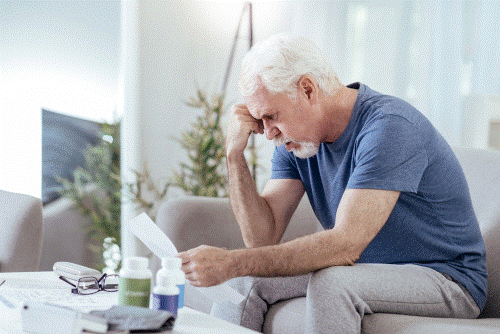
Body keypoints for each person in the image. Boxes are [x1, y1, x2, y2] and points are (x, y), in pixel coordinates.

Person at [176, 34, 487, 333]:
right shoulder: (296, 140)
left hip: (447, 279)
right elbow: (261, 238)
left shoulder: (389, 128)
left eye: (271, 116)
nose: (267, 132)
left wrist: (231, 261)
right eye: (261, 120)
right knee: (242, 283)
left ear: (308, 89)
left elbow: (345, 245)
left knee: (331, 283)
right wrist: (234, 156)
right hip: (366, 270)